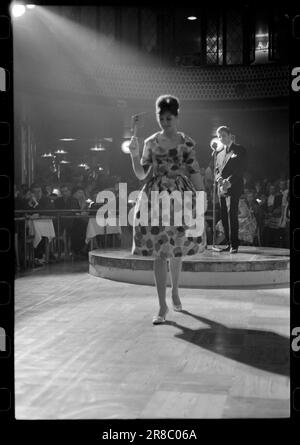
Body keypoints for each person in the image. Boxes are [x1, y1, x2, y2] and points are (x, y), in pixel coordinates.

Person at [128, 94, 206, 325]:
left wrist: (202, 199)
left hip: (181, 195)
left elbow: (195, 172)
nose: (165, 122)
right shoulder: (150, 142)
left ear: (177, 117)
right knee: (159, 251)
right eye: (161, 118)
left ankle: (174, 292)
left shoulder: (187, 142)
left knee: (177, 249)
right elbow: (142, 174)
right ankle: (162, 306)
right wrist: (133, 154)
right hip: (155, 196)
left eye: (169, 118)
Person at [214, 126, 247, 253]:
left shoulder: (239, 149)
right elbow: (216, 169)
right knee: (224, 215)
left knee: (232, 214)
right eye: (219, 136)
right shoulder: (219, 152)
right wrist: (219, 179)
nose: (221, 138)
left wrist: (229, 181)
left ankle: (234, 244)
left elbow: (241, 168)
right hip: (221, 188)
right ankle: (228, 242)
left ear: (229, 135)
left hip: (233, 186)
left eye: (223, 135)